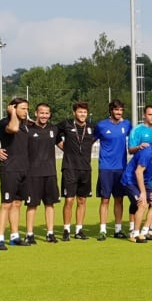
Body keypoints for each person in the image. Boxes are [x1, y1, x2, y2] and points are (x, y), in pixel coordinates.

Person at [121, 128, 152, 243]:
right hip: (130, 181)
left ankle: (144, 232)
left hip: (143, 181)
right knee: (142, 204)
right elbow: (138, 172)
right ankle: (135, 234)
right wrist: (143, 193)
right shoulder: (148, 151)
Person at [94, 99, 132, 241]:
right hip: (105, 168)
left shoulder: (127, 124)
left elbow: (138, 134)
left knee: (119, 199)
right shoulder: (101, 125)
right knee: (105, 199)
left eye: (121, 110)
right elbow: (89, 140)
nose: (119, 112)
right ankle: (103, 230)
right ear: (111, 110)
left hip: (121, 168)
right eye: (116, 110)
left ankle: (118, 229)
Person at [57, 101, 95, 240]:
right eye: (80, 112)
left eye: (84, 112)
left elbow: (95, 139)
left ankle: (79, 230)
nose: (82, 114)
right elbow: (52, 132)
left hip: (85, 169)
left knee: (82, 201)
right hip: (70, 168)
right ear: (74, 113)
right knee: (69, 200)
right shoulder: (66, 125)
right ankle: (66, 229)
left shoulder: (91, 127)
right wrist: (64, 147)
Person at [0, 98, 30, 250]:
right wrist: (12, 114)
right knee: (6, 204)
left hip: (24, 169)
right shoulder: (5, 122)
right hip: (9, 169)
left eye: (27, 108)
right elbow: (13, 129)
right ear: (13, 108)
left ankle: (15, 236)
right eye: (23, 108)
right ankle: (0, 239)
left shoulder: (27, 125)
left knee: (17, 203)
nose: (26, 111)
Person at [24, 103, 60, 244]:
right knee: (32, 205)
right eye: (41, 113)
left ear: (50, 114)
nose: (44, 115)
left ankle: (50, 233)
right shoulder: (28, 129)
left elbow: (62, 145)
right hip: (33, 173)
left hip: (50, 172)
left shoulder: (54, 129)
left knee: (50, 204)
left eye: (46, 113)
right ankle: (29, 234)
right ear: (36, 113)